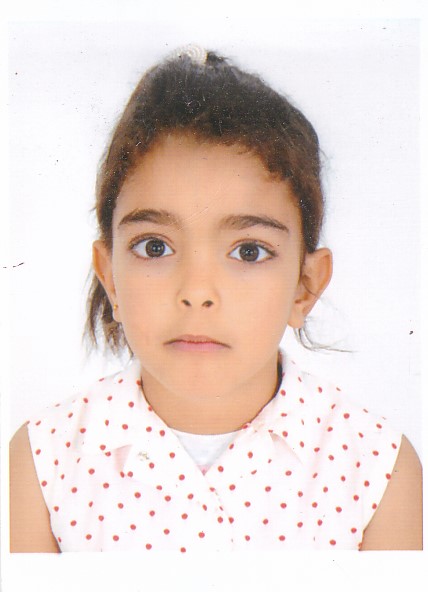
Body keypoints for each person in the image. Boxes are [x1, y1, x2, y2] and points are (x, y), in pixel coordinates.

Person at [10, 45, 422, 552]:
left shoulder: (378, 470)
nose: (197, 292)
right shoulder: (41, 463)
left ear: (305, 286)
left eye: (249, 251)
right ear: (110, 276)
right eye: (154, 247)